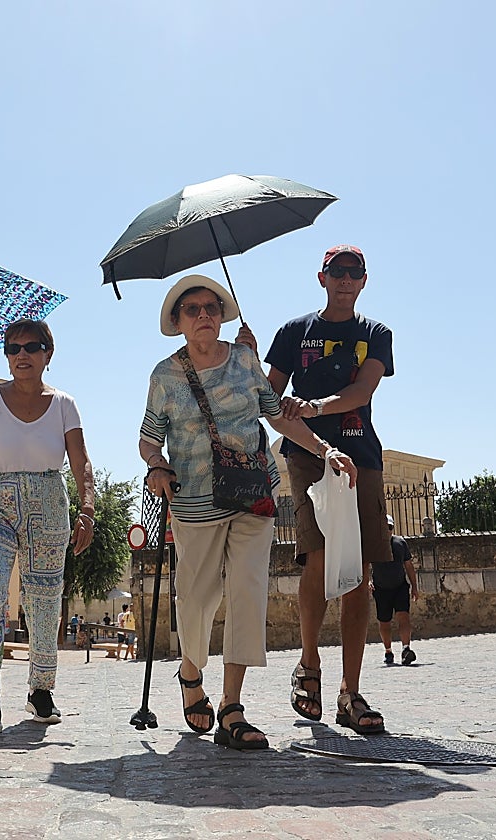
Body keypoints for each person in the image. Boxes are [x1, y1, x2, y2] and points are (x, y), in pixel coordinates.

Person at [141, 274, 357, 750]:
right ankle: (191, 671)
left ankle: (231, 707)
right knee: (195, 598)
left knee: (248, 592)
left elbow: (276, 413)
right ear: (178, 322)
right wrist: (157, 465)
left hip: (253, 493)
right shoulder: (165, 375)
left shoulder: (244, 359)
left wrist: (324, 450)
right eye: (192, 309)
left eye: (212, 307)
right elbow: (148, 439)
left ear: (222, 315)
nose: (204, 315)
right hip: (195, 501)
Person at [262, 244, 393, 735]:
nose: (344, 279)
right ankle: (309, 664)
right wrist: (253, 362)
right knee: (319, 560)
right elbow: (268, 400)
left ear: (364, 281)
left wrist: (312, 406)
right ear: (321, 278)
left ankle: (350, 691)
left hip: (362, 457)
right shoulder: (294, 333)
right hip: (307, 456)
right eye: (336, 272)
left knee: (358, 571)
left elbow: (362, 392)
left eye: (353, 272)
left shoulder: (375, 334)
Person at [0, 318, 95, 737]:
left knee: (45, 600)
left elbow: (81, 460)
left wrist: (87, 509)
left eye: (31, 347)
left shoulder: (65, 403)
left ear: (48, 353)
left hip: (49, 500)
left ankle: (41, 691)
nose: (22, 355)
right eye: (13, 348)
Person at [372, 515, 419, 665]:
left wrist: (414, 587)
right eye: (385, 527)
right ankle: (388, 650)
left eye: (390, 527)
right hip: (380, 588)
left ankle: (406, 649)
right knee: (384, 622)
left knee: (403, 616)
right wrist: (367, 581)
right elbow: (364, 564)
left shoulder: (400, 543)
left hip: (400, 586)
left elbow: (409, 565)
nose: (387, 530)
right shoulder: (372, 545)